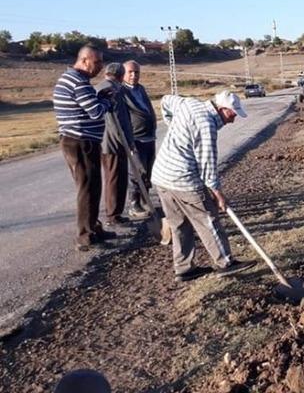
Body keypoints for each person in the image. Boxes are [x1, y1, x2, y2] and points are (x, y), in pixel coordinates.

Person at [151, 91, 256, 282]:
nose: (233, 120)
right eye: (232, 114)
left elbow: (166, 100)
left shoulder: (189, 103)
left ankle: (183, 268)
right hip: (183, 180)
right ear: (222, 109)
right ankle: (225, 263)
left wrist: (173, 126)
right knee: (208, 218)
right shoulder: (206, 124)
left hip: (161, 177)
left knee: (179, 224)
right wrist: (218, 194)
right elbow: (207, 164)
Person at [53, 45, 116, 251]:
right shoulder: (79, 83)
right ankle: (85, 235)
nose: (99, 67)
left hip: (79, 139)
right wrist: (107, 100)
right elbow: (96, 112)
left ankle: (93, 227)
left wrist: (100, 97)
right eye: (96, 62)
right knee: (87, 188)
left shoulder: (70, 79)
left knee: (92, 186)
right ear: (84, 60)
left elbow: (87, 106)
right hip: (81, 141)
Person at [95, 63, 135, 227]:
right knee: (115, 178)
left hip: (103, 140)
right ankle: (113, 215)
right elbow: (118, 119)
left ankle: (115, 213)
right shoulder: (113, 90)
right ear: (120, 76)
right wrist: (127, 142)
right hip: (113, 143)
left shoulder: (99, 87)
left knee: (114, 177)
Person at [122, 60, 157, 218]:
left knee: (148, 170)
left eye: (136, 72)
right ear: (123, 74)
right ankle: (134, 204)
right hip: (135, 138)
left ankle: (145, 200)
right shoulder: (121, 92)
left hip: (149, 136)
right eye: (130, 72)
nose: (134, 75)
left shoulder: (140, 89)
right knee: (137, 172)